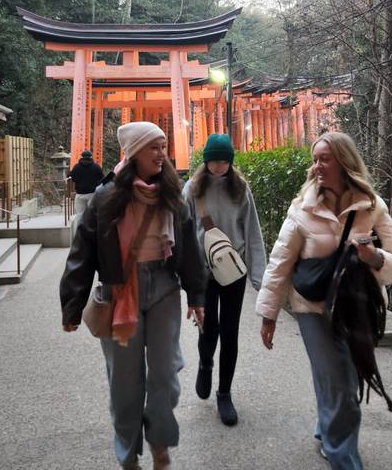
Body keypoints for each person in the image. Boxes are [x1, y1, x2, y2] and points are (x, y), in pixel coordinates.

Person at [60, 122, 207, 470]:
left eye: (163, 146)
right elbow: (83, 253)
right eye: (153, 147)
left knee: (165, 375)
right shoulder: (106, 197)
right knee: (125, 383)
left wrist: (197, 296)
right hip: (118, 290)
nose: (161, 153)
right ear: (134, 151)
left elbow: (188, 248)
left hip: (164, 287)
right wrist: (72, 305)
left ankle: (160, 442)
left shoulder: (173, 193)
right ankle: (127, 454)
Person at [256, 131, 392, 469]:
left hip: (355, 308)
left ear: (344, 161)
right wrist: (269, 315)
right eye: (315, 159)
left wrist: (374, 258)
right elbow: (280, 262)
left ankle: (327, 431)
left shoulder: (372, 206)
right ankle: (344, 458)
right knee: (338, 382)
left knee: (342, 379)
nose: (317, 166)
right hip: (312, 308)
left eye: (324, 158)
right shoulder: (302, 208)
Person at [183, 133, 266, 426]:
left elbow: (252, 231)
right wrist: (185, 276)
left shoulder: (240, 189)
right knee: (209, 329)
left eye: (224, 160)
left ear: (231, 161)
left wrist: (259, 277)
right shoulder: (192, 189)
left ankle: (224, 393)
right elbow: (182, 234)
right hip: (204, 273)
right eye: (213, 160)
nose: (218, 166)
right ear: (205, 161)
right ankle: (205, 365)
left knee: (230, 332)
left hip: (233, 271)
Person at [69, 149, 104, 214]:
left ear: (81, 157)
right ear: (91, 157)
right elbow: (102, 179)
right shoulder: (96, 167)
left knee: (80, 214)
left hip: (80, 193)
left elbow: (71, 177)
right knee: (91, 214)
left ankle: (80, 224)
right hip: (92, 193)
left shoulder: (76, 167)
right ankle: (90, 224)